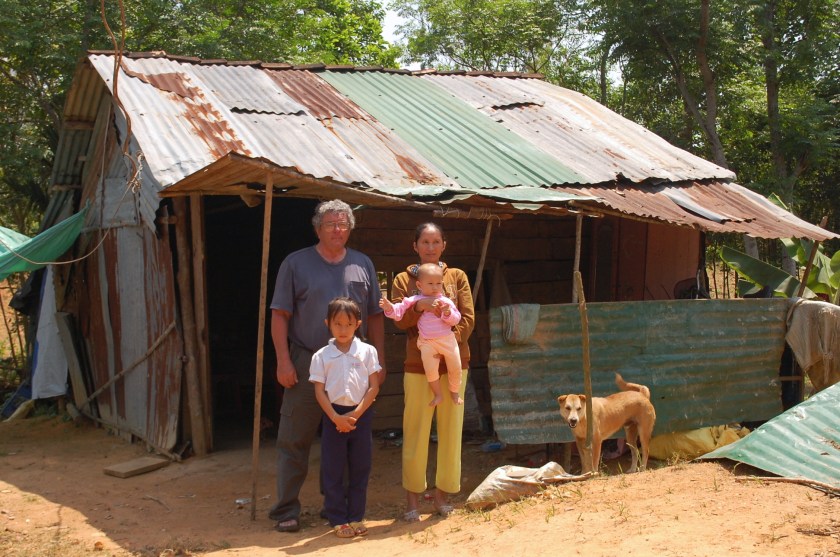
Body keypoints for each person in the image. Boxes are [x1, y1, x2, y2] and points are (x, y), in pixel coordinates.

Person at [268, 199, 385, 533]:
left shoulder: (362, 263)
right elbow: (280, 314)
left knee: (346, 435)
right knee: (295, 437)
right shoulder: (296, 263)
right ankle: (286, 509)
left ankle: (336, 507)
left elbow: (375, 316)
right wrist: (283, 361)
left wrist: (380, 361)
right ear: (317, 227)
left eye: (344, 224)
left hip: (354, 361)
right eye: (331, 223)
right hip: (308, 359)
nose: (338, 229)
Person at [391, 223, 474, 522]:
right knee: (415, 430)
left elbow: (469, 317)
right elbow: (400, 322)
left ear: (443, 245)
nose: (430, 247)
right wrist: (419, 308)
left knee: (451, 432)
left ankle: (442, 497)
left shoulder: (457, 277)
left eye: (435, 241)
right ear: (415, 246)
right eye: (424, 242)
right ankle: (412, 501)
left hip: (454, 364)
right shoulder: (404, 280)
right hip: (418, 365)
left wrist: (449, 340)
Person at [310, 297, 380, 538]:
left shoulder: (367, 351)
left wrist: (356, 414)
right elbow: (319, 390)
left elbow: (374, 386)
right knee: (333, 468)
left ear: (357, 324)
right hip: (333, 417)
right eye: (337, 324)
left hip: (361, 415)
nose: (343, 329)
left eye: (348, 324)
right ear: (327, 323)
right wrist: (335, 418)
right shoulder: (321, 356)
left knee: (361, 466)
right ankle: (338, 519)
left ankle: (356, 516)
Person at [380, 263, 463, 407]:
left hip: (447, 340)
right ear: (419, 284)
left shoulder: (446, 301)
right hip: (427, 342)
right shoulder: (414, 300)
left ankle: (454, 392)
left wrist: (447, 313)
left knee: (456, 366)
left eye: (438, 283)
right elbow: (398, 313)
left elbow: (456, 319)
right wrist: (389, 308)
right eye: (430, 283)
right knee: (430, 370)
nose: (435, 287)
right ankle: (437, 394)